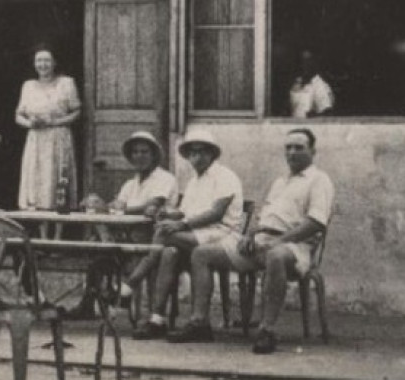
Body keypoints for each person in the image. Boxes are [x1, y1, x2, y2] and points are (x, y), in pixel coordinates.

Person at [184, 128, 336, 354]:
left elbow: (315, 223)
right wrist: (250, 235)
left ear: (313, 151)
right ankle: (199, 323)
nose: (292, 153)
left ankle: (267, 330)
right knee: (201, 253)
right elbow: (263, 216)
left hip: (295, 246)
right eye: (288, 148)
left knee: (276, 255)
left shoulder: (319, 180)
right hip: (261, 241)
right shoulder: (280, 181)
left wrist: (279, 241)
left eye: (298, 147)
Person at [132, 129, 244, 341]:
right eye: (193, 153)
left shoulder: (225, 176)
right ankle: (158, 319)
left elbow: (216, 213)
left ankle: (133, 280)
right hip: (197, 234)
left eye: (202, 152)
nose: (197, 157)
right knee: (169, 252)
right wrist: (168, 214)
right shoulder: (194, 181)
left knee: (165, 236)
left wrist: (180, 224)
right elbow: (185, 211)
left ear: (212, 154)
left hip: (222, 235)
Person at [103, 131, 179, 297]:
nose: (139, 156)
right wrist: (112, 207)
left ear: (154, 155)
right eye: (135, 152)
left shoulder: (165, 178)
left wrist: (121, 209)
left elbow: (153, 205)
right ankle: (93, 301)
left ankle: (123, 291)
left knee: (108, 248)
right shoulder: (130, 184)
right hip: (128, 236)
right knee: (97, 251)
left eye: (144, 152)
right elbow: (116, 205)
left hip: (154, 237)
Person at [14, 45, 81, 210]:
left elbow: (77, 111)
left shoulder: (66, 83)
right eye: (38, 60)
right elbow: (18, 115)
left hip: (58, 137)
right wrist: (30, 123)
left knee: (56, 179)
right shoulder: (28, 86)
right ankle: (41, 228)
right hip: (36, 139)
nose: (42, 64)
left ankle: (58, 231)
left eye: (46, 60)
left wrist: (55, 122)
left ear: (54, 62)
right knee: (37, 181)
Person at [288, 49, 335, 119]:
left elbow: (327, 114)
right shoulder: (296, 83)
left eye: (308, 61)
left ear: (314, 63)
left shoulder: (320, 86)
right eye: (302, 61)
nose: (305, 65)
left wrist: (313, 117)